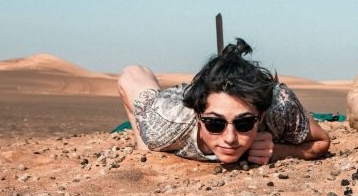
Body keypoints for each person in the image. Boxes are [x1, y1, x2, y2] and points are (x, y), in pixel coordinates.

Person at [117, 38, 330, 164]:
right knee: (149, 146)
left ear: (261, 116)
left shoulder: (280, 107)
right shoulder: (165, 121)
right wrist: (144, 144)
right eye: (215, 124)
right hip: (175, 107)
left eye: (244, 123)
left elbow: (322, 142)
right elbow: (130, 76)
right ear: (198, 116)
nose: (230, 138)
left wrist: (279, 151)